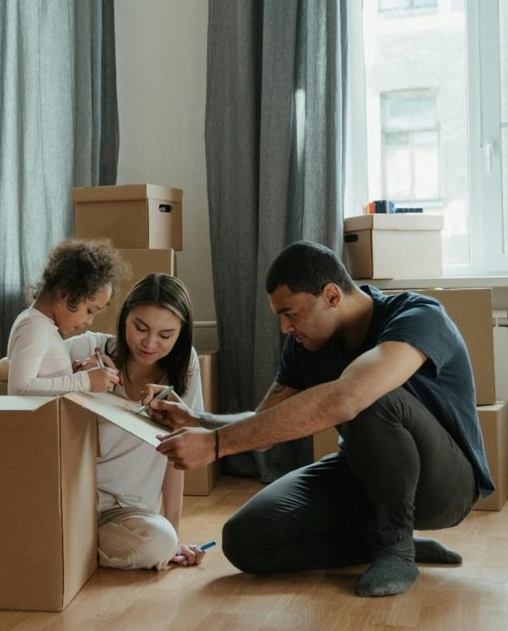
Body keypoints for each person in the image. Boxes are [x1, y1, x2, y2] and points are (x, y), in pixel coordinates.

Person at [149, 241, 492, 597]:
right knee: (245, 540)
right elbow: (265, 425)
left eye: (291, 313)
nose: (284, 328)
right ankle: (377, 542)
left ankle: (396, 548)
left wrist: (216, 445)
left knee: (369, 396)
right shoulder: (305, 345)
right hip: (364, 475)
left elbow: (349, 397)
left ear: (331, 295)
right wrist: (199, 421)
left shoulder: (418, 316)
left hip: (445, 487)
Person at [0, 272, 211, 570]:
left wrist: (174, 537)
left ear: (181, 335)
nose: (149, 343)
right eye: (140, 327)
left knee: (159, 543)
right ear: (124, 319)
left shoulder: (185, 369)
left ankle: (64, 546)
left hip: (128, 514)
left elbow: (178, 455)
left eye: (165, 335)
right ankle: (66, 544)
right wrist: (75, 377)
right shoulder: (89, 348)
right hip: (71, 500)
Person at [5, 238, 124, 396]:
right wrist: (85, 381)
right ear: (64, 293)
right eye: (89, 310)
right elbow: (19, 388)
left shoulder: (44, 326)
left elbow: (44, 382)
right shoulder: (34, 326)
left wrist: (73, 375)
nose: (89, 321)